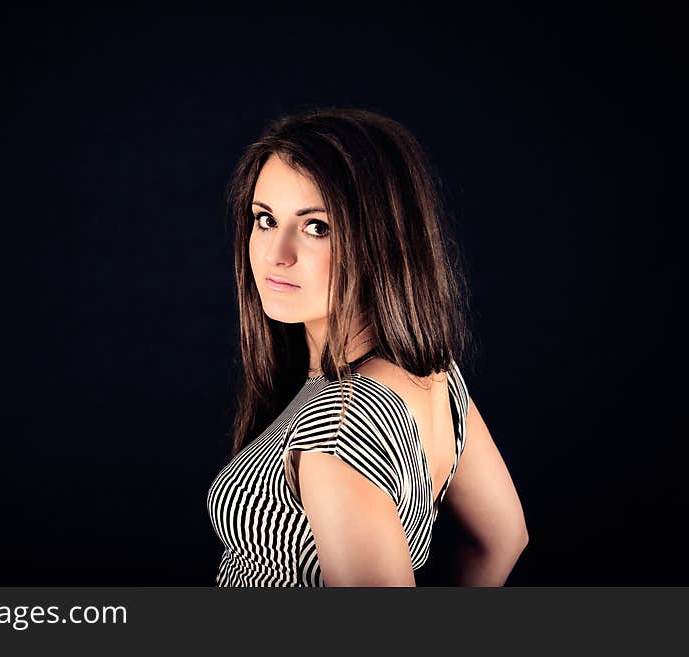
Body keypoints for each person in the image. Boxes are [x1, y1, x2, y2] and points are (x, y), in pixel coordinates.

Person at [206, 107, 528, 586]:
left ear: (383, 238)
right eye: (265, 219)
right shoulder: (434, 374)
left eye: (317, 226)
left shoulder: (338, 427)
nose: (277, 254)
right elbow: (500, 538)